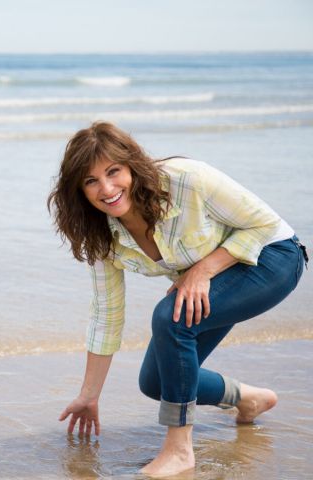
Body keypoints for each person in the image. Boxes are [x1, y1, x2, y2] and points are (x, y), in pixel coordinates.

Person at [47, 122, 307, 477]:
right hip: (220, 277)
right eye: (91, 181)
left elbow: (264, 225)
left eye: (113, 172)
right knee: (157, 381)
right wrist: (90, 395)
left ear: (131, 165)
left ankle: (180, 450)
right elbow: (106, 314)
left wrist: (203, 270)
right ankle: (249, 398)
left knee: (170, 318)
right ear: (79, 190)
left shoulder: (187, 179)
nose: (106, 189)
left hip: (273, 257)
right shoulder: (101, 237)